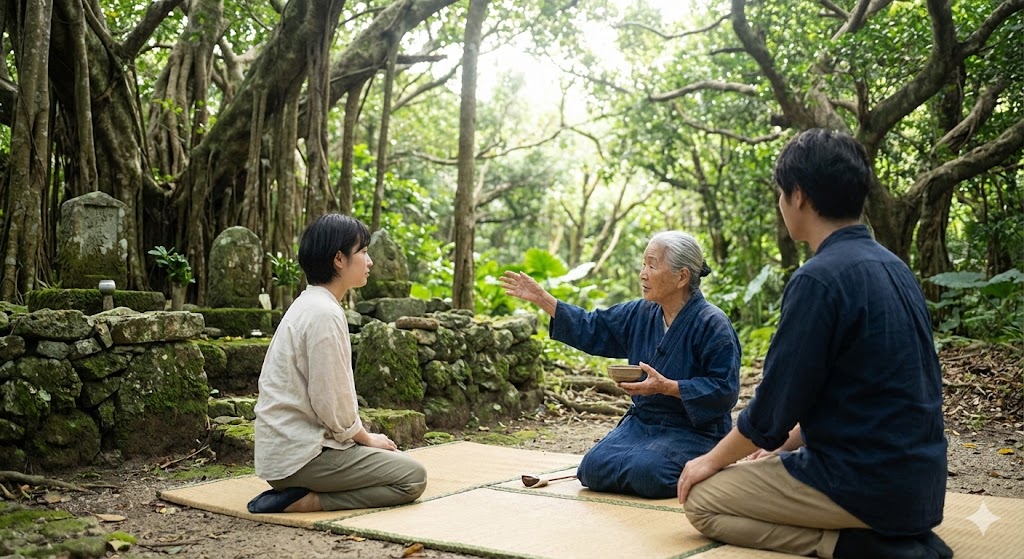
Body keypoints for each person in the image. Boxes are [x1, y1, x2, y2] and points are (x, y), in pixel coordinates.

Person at [677, 129, 950, 559]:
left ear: (798, 195)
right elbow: (863, 397)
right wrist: (779, 447)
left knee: (702, 500)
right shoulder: (895, 268)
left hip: (859, 483)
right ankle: (894, 538)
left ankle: (854, 545)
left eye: (781, 194)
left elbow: (772, 409)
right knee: (763, 461)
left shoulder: (818, 279)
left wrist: (710, 460)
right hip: (923, 486)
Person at [500, 232, 740, 499]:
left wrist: (668, 387)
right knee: (591, 469)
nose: (643, 274)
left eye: (652, 265)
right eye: (643, 264)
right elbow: (593, 326)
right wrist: (543, 299)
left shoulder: (712, 323)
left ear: (681, 276)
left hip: (694, 430)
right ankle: (672, 464)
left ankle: (710, 463)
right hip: (643, 424)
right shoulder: (640, 313)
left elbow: (724, 390)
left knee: (648, 474)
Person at [248, 214, 427, 513]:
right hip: (302, 457)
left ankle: (297, 492)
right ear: (339, 259)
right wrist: (366, 438)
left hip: (286, 454)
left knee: (396, 463)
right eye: (363, 252)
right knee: (412, 478)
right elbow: (330, 401)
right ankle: (305, 501)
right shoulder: (323, 314)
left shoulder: (310, 304)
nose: (369, 262)